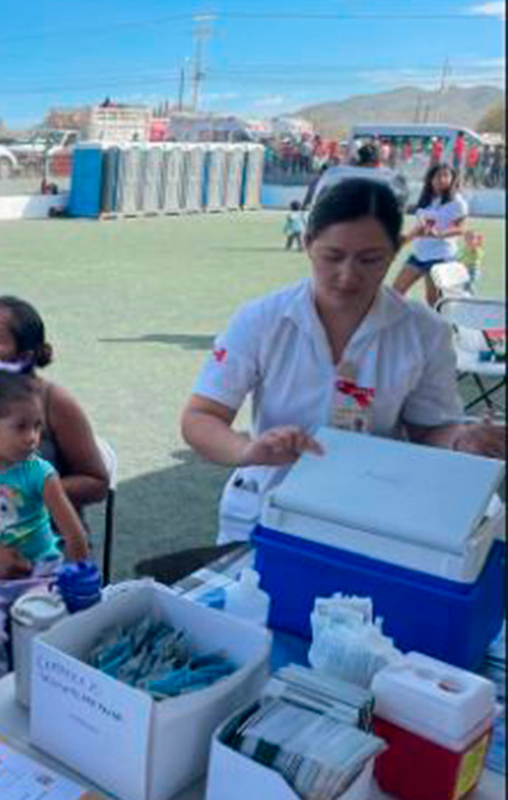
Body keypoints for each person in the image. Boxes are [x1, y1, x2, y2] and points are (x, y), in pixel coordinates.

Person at [181, 177, 504, 546]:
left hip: (371, 515)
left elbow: (428, 430)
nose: (348, 276)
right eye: (332, 256)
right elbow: (201, 417)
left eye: (370, 260)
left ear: (395, 251)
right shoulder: (261, 320)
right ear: (307, 245)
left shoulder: (424, 331)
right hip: (267, 506)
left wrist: (462, 442)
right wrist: (246, 450)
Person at [0, 296, 108, 580]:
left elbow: (96, 481)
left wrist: (30, 490)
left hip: (53, 548)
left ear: (24, 357)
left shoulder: (54, 402)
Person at [0, 371, 89, 691]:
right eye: (21, 427)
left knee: (49, 628)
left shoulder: (40, 473)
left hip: (40, 572)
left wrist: (77, 577)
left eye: (38, 426)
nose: (32, 438)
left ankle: (47, 693)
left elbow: (74, 533)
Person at [392, 163, 468, 308]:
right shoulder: (427, 200)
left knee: (433, 300)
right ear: (431, 179)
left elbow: (461, 228)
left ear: (453, 179)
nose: (441, 179)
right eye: (437, 175)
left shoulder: (457, 202)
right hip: (419, 255)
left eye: (446, 175)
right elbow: (420, 228)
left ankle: (445, 329)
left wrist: (440, 234)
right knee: (395, 292)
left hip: (440, 257)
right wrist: (403, 241)